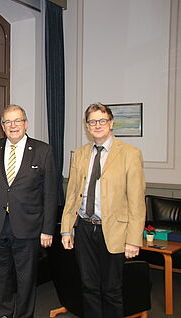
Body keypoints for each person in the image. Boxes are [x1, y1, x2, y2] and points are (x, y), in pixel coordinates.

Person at [60, 103, 145, 318]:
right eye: (92, 121)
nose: (97, 125)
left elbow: (136, 201)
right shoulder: (79, 154)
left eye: (102, 120)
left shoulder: (130, 154)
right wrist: (66, 229)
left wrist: (133, 240)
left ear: (111, 123)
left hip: (114, 231)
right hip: (85, 229)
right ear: (87, 126)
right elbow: (71, 195)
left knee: (112, 290)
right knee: (88, 287)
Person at [0, 104, 57, 318]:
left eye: (17, 121)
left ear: (26, 123)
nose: (13, 125)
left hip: (28, 227)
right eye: (8, 122)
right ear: (2, 126)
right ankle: (3, 313)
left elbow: (50, 194)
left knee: (26, 278)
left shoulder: (42, 150)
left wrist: (48, 229)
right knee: (0, 276)